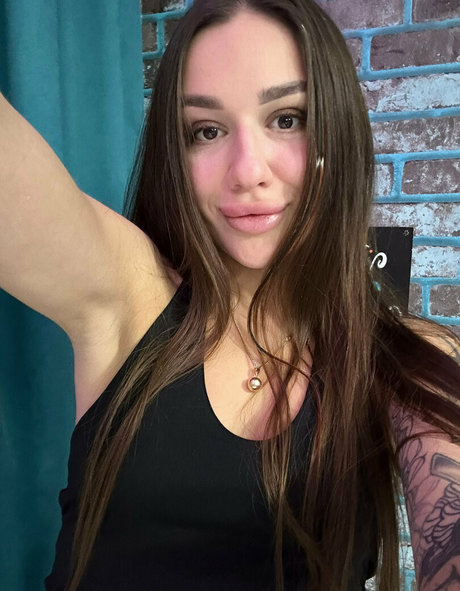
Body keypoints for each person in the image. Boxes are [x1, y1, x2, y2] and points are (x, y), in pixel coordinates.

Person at [0, 0, 459, 589]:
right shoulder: (129, 297)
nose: (247, 170)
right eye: (207, 131)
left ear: (337, 133)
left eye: (287, 119)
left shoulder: (404, 357)